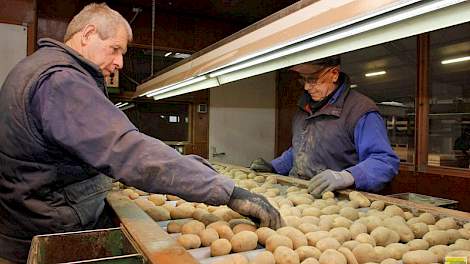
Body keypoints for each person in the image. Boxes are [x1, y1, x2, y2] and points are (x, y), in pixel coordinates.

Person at [0, 3, 282, 263]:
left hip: (30, 221)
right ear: (87, 34)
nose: (120, 63)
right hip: (44, 229)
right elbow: (127, 150)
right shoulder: (62, 81)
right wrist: (227, 192)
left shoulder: (42, 68)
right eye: (115, 49)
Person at [251, 56, 399, 198]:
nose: (307, 87)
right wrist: (274, 166)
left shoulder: (360, 110)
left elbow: (384, 161)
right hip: (302, 193)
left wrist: (347, 176)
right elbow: (301, 150)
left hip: (338, 200)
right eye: (303, 80)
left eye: (313, 80)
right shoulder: (304, 108)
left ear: (334, 74)